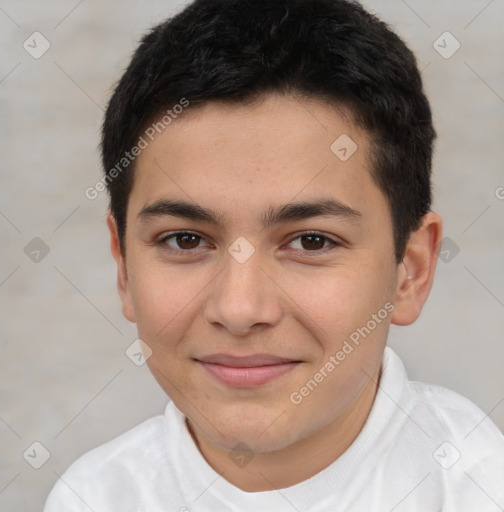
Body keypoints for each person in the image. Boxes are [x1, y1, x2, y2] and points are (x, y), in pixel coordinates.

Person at [44, 0, 504, 510]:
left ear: (410, 272)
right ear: (125, 268)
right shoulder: (91, 498)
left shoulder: (479, 488)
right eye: (186, 240)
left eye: (311, 241)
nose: (240, 310)